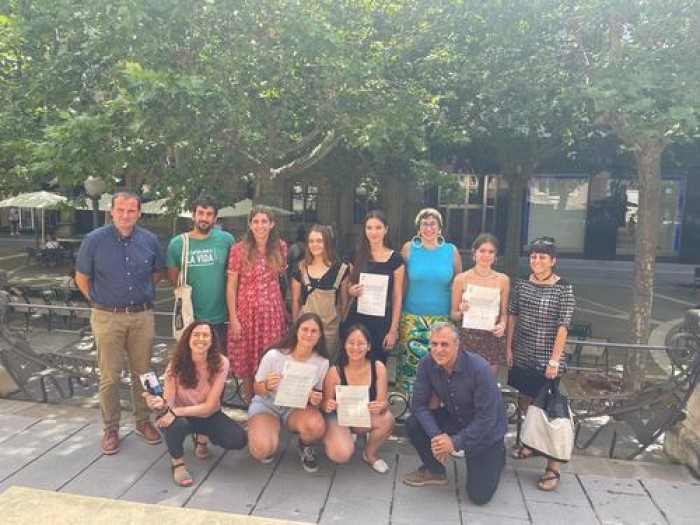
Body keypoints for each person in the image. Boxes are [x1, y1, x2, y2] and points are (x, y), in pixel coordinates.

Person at [74, 191, 163, 455]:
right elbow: (81, 277)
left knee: (144, 374)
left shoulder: (149, 240)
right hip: (107, 316)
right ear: (111, 211)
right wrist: (101, 303)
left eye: (131, 210)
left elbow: (155, 275)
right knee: (110, 377)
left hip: (141, 316)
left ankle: (143, 421)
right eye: (121, 210)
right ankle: (111, 427)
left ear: (139, 213)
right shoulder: (94, 240)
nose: (126, 215)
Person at [403, 322, 507, 505]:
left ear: (457, 345)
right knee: (413, 423)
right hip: (456, 417)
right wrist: (438, 439)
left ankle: (497, 454)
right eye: (434, 344)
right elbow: (419, 405)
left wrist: (455, 442)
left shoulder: (479, 368)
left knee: (478, 496)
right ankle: (435, 471)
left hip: (485, 431)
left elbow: (486, 418)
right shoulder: (427, 363)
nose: (438, 350)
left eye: (445, 344)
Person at [506, 236, 575, 491]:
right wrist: (508, 347)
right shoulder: (522, 284)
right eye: (534, 256)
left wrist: (555, 360)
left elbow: (563, 326)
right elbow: (512, 316)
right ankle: (530, 443)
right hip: (522, 355)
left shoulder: (563, 288)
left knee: (550, 409)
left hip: (548, 360)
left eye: (543, 257)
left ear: (553, 261)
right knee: (526, 402)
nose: (537, 261)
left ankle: (552, 467)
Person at [144, 321, 247, 487]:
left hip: (207, 414)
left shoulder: (222, 362)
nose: (201, 339)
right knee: (174, 425)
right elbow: (169, 400)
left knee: (238, 439)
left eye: (206, 335)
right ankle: (177, 463)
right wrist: (159, 405)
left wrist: (175, 411)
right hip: (181, 417)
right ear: (187, 339)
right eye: (196, 335)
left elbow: (209, 406)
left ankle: (201, 439)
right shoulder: (175, 363)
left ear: (212, 340)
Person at [247, 313, 329, 472]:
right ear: (296, 331)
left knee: (316, 426)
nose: (309, 334)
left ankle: (305, 444)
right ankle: (263, 430)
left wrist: (315, 397)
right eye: (305, 329)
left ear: (320, 336)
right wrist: (268, 385)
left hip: (296, 407)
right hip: (268, 404)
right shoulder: (274, 356)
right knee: (262, 450)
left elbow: (317, 396)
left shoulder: (321, 362)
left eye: (314, 331)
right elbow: (257, 389)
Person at [227, 205, 288, 403]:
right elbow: (231, 287)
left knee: (270, 359)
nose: (260, 226)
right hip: (246, 314)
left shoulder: (280, 247)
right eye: (256, 222)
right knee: (247, 362)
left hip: (272, 314)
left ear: (272, 224)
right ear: (250, 224)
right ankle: (251, 403)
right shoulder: (239, 250)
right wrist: (234, 319)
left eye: (264, 221)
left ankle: (270, 405)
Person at [397, 208, 461, 394]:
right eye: (424, 224)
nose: (428, 228)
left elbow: (459, 283)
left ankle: (438, 409)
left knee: (440, 366)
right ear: (418, 229)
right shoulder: (409, 249)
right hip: (412, 318)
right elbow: (402, 284)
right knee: (411, 368)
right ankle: (410, 410)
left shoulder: (451, 251)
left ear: (440, 228)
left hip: (442, 320)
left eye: (433, 223)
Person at [322, 324, 395, 473]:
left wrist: (380, 406)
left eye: (361, 343)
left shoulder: (378, 367)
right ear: (344, 345)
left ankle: (370, 453)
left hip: (363, 415)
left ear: (368, 346)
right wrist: (328, 404)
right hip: (339, 418)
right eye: (351, 343)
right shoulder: (334, 371)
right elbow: (324, 404)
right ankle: (339, 436)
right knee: (340, 454)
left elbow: (383, 402)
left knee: (387, 419)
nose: (356, 347)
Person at [166, 195, 234, 345]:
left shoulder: (226, 240)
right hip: (190, 317)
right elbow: (173, 279)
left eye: (209, 214)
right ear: (193, 215)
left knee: (219, 363)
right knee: (190, 363)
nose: (204, 218)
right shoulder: (178, 244)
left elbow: (233, 275)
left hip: (220, 317)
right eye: (200, 213)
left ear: (215, 218)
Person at [343, 210, 405, 363]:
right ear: (364, 230)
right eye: (369, 228)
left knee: (378, 364)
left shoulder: (396, 259)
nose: (373, 232)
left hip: (382, 321)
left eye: (378, 227)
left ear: (386, 229)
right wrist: (351, 290)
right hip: (357, 318)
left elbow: (397, 296)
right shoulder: (355, 254)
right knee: (353, 361)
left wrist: (393, 330)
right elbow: (349, 284)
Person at [451, 233, 510, 376]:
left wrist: (502, 326)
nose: (486, 255)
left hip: (490, 338)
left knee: (487, 385)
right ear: (474, 252)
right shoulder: (461, 279)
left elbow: (503, 314)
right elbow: (453, 315)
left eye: (491, 252)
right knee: (463, 383)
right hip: (467, 338)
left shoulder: (503, 280)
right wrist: (461, 310)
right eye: (482, 251)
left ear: (495, 256)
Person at [291, 225, 350, 360]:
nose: (315, 245)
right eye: (311, 241)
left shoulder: (341, 270)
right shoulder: (300, 269)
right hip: (306, 331)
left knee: (328, 367)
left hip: (330, 330)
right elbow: (295, 302)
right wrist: (296, 327)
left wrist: (338, 321)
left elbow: (344, 302)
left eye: (319, 241)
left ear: (327, 243)